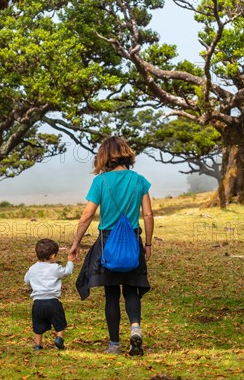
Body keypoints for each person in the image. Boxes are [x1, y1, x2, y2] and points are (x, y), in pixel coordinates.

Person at [69, 136, 154, 356]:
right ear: (127, 155)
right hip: (132, 242)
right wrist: (147, 243)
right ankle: (135, 328)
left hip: (107, 243)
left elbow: (87, 215)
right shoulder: (139, 180)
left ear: (104, 156)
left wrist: (75, 243)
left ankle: (114, 345)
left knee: (111, 294)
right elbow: (148, 214)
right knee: (132, 288)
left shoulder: (100, 181)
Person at [24, 238, 75, 351]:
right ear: (52, 256)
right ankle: (59, 338)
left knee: (38, 325)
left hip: (37, 303)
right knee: (59, 321)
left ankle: (38, 345)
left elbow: (26, 280)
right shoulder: (55, 268)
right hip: (53, 301)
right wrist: (70, 261)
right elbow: (67, 272)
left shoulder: (32, 268)